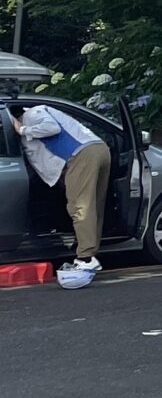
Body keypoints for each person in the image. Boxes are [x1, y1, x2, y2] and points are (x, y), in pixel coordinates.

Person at [9, 98, 107, 288]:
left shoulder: (33, 113)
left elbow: (51, 128)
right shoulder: (38, 112)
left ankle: (86, 258)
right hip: (97, 149)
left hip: (81, 154)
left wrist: (22, 129)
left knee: (81, 207)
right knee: (94, 205)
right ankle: (89, 250)